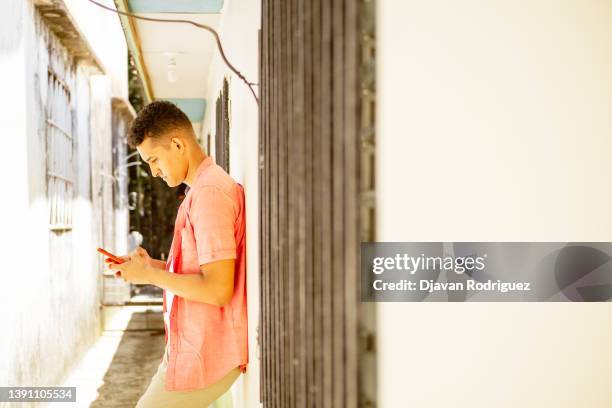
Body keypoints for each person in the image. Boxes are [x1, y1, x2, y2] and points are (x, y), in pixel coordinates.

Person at [107, 100, 247, 407]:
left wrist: (151, 276)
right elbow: (200, 270)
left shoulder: (210, 194)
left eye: (154, 159)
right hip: (192, 347)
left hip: (209, 353)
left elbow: (219, 289)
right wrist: (150, 266)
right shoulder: (200, 190)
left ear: (177, 143)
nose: (154, 171)